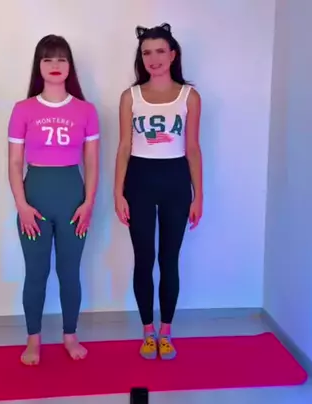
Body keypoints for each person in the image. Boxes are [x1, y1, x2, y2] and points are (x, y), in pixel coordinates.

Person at [7, 34, 100, 365]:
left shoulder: (86, 110)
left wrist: (88, 203)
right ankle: (33, 340)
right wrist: (21, 205)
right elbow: (15, 163)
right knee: (36, 272)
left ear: (70, 65)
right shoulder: (23, 109)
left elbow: (92, 162)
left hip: (73, 198)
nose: (55, 65)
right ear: (39, 65)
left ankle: (70, 335)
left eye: (61, 58)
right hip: (35, 198)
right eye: (48, 59)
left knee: (69, 271)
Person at [114, 23, 203, 360]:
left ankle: (166, 331)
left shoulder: (189, 97)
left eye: (160, 51)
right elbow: (124, 147)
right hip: (139, 180)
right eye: (147, 52)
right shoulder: (130, 97)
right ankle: (147, 331)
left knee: (169, 259)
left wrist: (199, 195)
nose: (154, 58)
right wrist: (118, 192)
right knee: (144, 258)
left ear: (173, 55)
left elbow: (192, 148)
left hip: (176, 181)